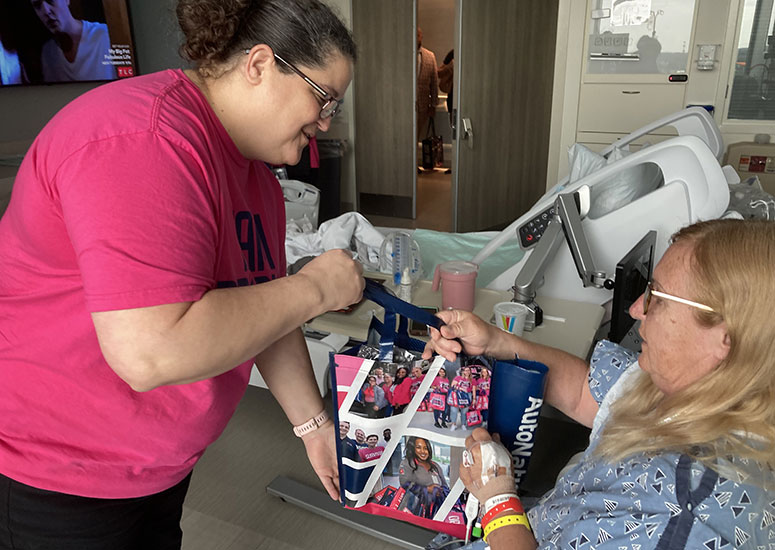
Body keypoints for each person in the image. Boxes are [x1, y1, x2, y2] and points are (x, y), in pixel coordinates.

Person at [0, 0, 363, 547]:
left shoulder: (257, 178)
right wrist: (312, 289)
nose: (327, 121)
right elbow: (152, 352)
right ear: (260, 64)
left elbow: (263, 309)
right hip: (61, 476)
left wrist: (314, 427)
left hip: (156, 469)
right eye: (324, 97)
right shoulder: (142, 139)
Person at [424, 219, 775, 548]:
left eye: (658, 297)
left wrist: (498, 499)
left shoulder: (685, 516)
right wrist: (496, 343)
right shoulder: (694, 388)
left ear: (723, 338)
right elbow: (584, 392)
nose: (637, 309)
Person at [30, 0, 116, 82]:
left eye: (50, 1)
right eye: (37, 5)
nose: (46, 11)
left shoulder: (105, 35)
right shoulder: (48, 52)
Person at [399, 436, 450, 519]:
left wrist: (440, 491)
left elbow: (445, 485)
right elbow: (405, 484)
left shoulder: (435, 466)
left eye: (425, 448)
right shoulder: (407, 463)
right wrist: (428, 489)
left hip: (436, 511)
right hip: (415, 512)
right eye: (418, 447)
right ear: (413, 449)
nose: (423, 451)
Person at [416, 27, 438, 143]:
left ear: (421, 36)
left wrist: (433, 105)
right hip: (404, 106)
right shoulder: (403, 56)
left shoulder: (430, 56)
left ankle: (413, 159)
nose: (415, 38)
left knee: (417, 135)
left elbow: (434, 83)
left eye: (418, 35)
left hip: (422, 106)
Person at [448, 365, 475, 430]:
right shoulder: (458, 378)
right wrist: (462, 388)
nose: (467, 372)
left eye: (468, 370)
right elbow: (452, 386)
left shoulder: (472, 380)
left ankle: (463, 424)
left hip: (467, 396)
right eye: (466, 370)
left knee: (464, 411)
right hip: (457, 395)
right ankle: (453, 424)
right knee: (454, 410)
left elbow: (473, 390)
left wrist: (474, 399)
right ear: (463, 372)